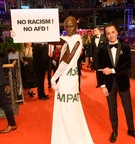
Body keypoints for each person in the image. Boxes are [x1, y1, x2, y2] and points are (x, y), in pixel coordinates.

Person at [97, 23, 135, 143]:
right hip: (109, 84)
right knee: (112, 108)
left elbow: (128, 66)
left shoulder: (125, 47)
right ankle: (114, 131)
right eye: (108, 33)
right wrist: (102, 86)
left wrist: (112, 70)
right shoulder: (102, 50)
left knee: (128, 107)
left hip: (123, 82)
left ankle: (131, 130)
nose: (111, 35)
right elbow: (99, 69)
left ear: (117, 32)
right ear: (105, 35)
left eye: (113, 32)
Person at [50, 16, 94, 144]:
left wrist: (54, 78)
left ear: (76, 27)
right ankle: (64, 136)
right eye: (66, 27)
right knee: (64, 107)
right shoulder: (69, 39)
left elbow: (65, 61)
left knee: (68, 108)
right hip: (66, 77)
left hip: (67, 79)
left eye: (71, 26)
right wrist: (23, 36)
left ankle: (70, 138)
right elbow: (52, 40)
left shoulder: (75, 41)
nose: (68, 29)